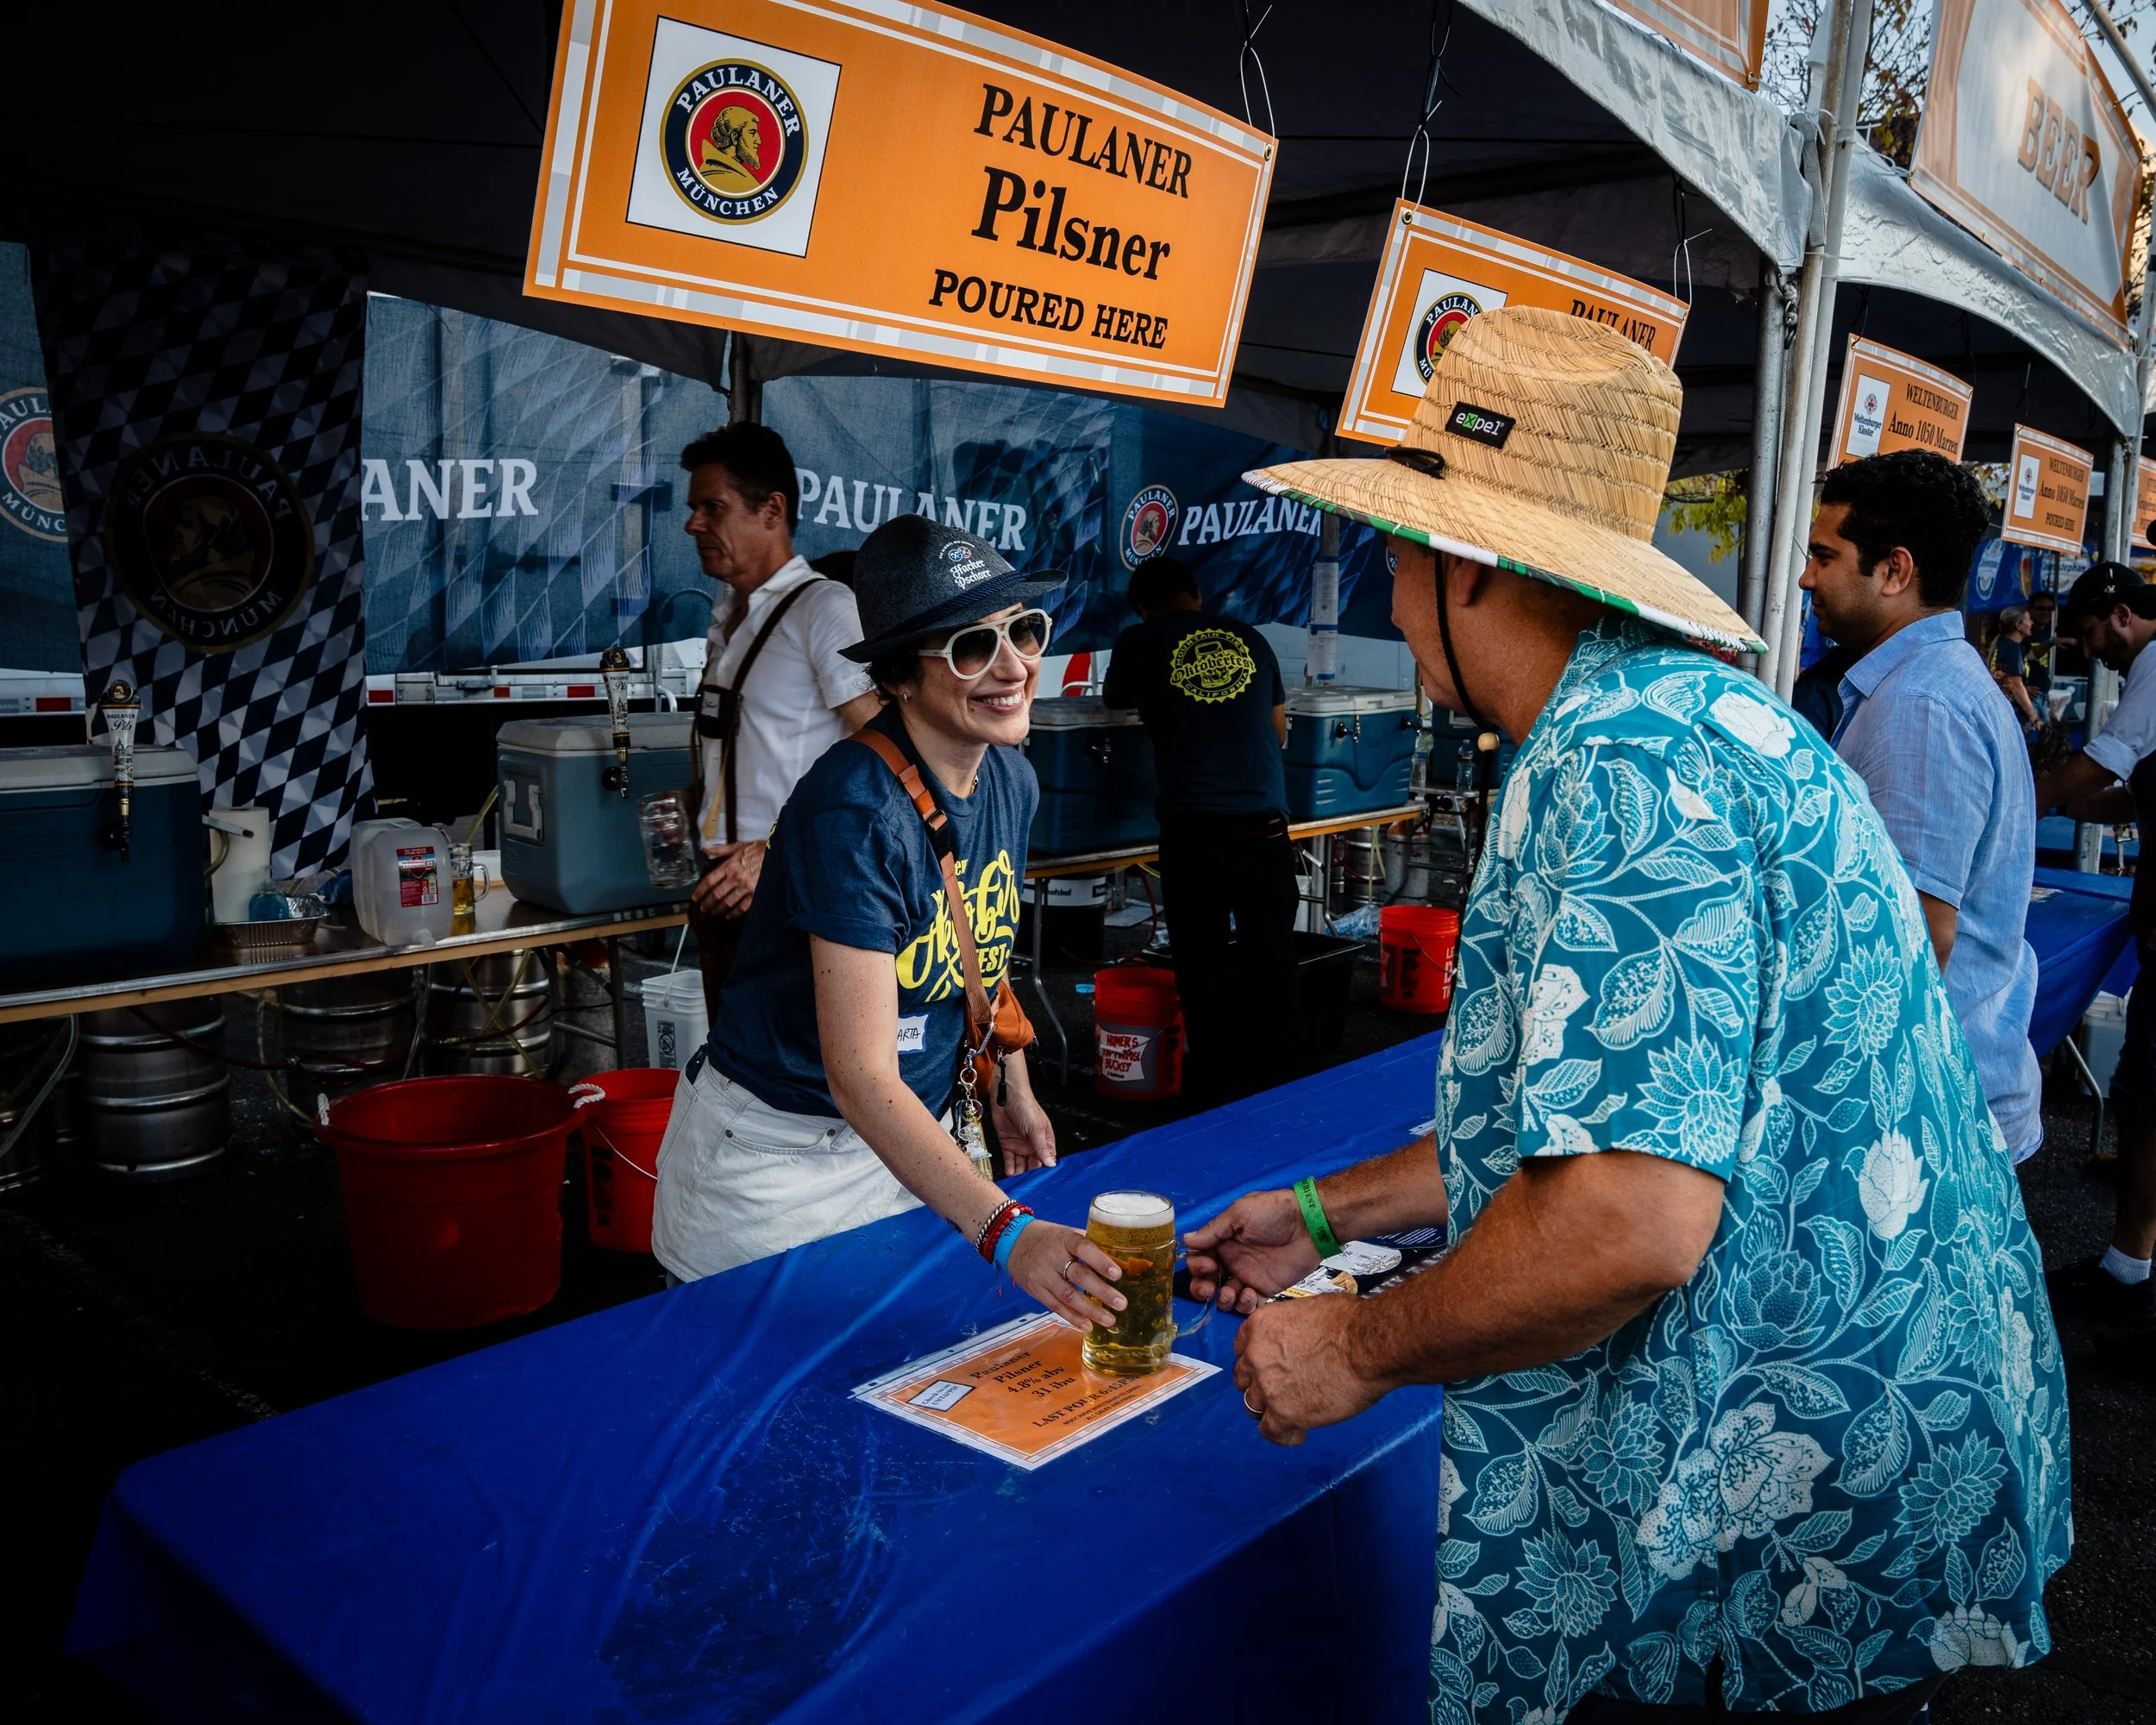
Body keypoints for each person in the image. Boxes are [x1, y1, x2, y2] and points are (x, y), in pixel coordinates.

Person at [1189, 307, 2067, 1721]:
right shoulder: (1693, 720)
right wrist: (1326, 1207)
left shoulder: (1622, 767)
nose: (1393, 599)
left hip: (1784, 1507)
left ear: (1464, 565)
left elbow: (1625, 1220)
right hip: (1869, 1453)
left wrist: (1353, 1347)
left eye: (1401, 558)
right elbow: (1604, 1117)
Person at [652, 517, 1128, 1331]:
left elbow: (981, 942)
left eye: (1024, 630)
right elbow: (862, 1076)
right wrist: (1008, 1232)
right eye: (973, 647)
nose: (1013, 666)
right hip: (774, 1169)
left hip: (906, 1151)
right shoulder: (853, 808)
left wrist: (1010, 1082)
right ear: (901, 679)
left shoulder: (1009, 778)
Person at [1798, 449, 2043, 1164]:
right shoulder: (1921, 685)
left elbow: (1916, 936)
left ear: (1895, 571)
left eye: (1825, 555)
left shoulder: (1922, 703)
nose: (1808, 577)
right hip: (1947, 1093)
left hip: (1937, 1110)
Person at [680, 423, 882, 1020]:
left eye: (711, 508)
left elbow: (886, 756)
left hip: (789, 891)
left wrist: (776, 851)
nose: (693, 525)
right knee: (734, 1076)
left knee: (789, 1086)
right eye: (692, 509)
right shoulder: (729, 618)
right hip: (723, 888)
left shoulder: (824, 609)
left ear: (773, 510)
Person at [1100, 555, 1297, 1102]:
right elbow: (1278, 730)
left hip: (1195, 829)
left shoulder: (1139, 641)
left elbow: (1114, 700)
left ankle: (1213, 1087)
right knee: (1272, 956)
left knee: (1201, 960)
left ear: (1142, 607)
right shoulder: (1250, 638)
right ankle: (1281, 1079)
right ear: (1197, 594)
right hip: (1264, 824)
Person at [2035, 561, 2156, 1323]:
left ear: (2117, 614)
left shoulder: (2155, 663)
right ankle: (2128, 1263)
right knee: (2144, 1091)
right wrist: (2075, 805)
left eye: (2088, 635)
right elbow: (2127, 791)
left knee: (2146, 1093)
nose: (2093, 654)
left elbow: (2102, 763)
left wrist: (2027, 797)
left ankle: (2130, 1282)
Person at [1989, 605, 2040, 729]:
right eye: (2028, 619)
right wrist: (2033, 715)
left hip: (1999, 709)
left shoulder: (2002, 645)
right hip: (2013, 712)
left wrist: (2051, 642)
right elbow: (2015, 683)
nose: (2032, 623)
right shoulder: (2014, 649)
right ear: (2018, 625)